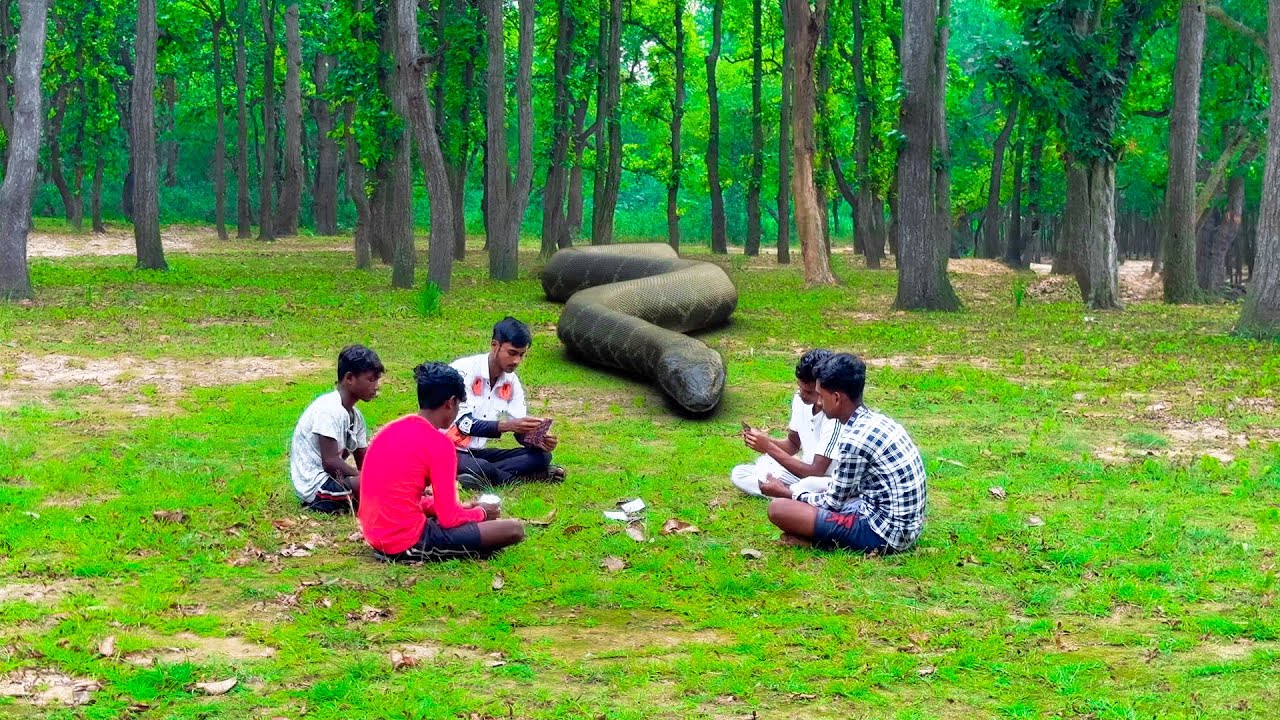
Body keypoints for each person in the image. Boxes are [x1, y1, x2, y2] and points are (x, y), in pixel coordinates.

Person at [358, 362, 526, 562]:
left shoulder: (391, 429)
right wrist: (481, 512)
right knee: (513, 529)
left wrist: (464, 508)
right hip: (404, 542)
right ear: (451, 402)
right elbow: (449, 519)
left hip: (374, 532)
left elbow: (400, 495)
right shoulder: (440, 445)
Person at [765, 353, 927, 554]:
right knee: (810, 492)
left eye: (821, 396)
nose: (819, 403)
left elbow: (831, 503)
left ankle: (824, 543)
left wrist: (786, 492)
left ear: (836, 398)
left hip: (884, 534)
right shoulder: (878, 421)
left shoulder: (854, 439)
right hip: (905, 526)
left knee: (779, 508)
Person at [448, 316, 566, 488]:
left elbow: (520, 430)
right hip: (446, 449)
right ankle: (521, 478)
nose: (516, 361)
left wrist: (537, 440)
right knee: (483, 467)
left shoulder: (511, 382)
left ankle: (475, 478)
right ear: (495, 345)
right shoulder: (462, 372)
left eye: (521, 355)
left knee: (542, 457)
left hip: (476, 452)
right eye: (512, 353)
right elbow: (464, 425)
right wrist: (509, 426)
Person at [732, 349, 840, 498]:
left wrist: (768, 447)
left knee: (811, 484)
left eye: (808, 392)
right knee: (741, 473)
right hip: (802, 473)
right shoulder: (800, 400)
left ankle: (790, 493)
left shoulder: (835, 416)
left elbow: (816, 472)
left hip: (825, 481)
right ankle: (793, 492)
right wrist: (762, 440)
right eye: (800, 387)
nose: (801, 394)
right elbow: (792, 445)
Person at [289, 344, 384, 513]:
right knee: (373, 486)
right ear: (349, 378)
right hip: (316, 487)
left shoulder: (356, 417)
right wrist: (362, 476)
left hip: (336, 479)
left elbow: (365, 459)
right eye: (371, 379)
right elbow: (330, 462)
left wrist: (376, 473)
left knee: (382, 481)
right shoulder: (328, 409)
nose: (376, 386)